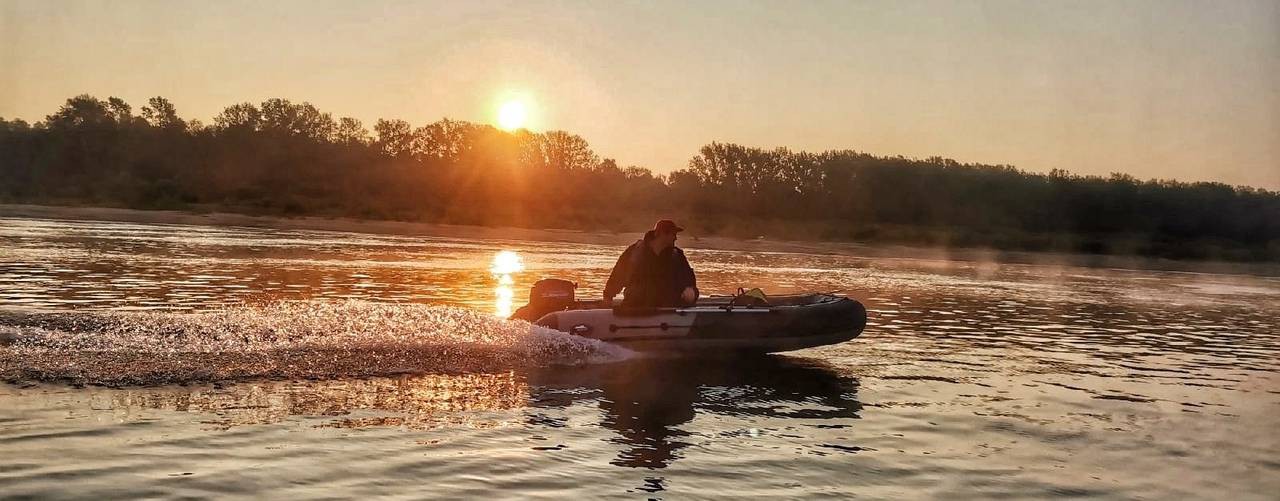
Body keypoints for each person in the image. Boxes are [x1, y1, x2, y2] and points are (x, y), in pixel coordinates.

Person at [603, 219, 698, 308]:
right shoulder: (635, 251)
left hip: (668, 307)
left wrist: (692, 292)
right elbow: (618, 275)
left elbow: (689, 280)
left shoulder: (677, 256)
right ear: (660, 234)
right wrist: (608, 296)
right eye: (673, 234)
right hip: (635, 306)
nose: (675, 238)